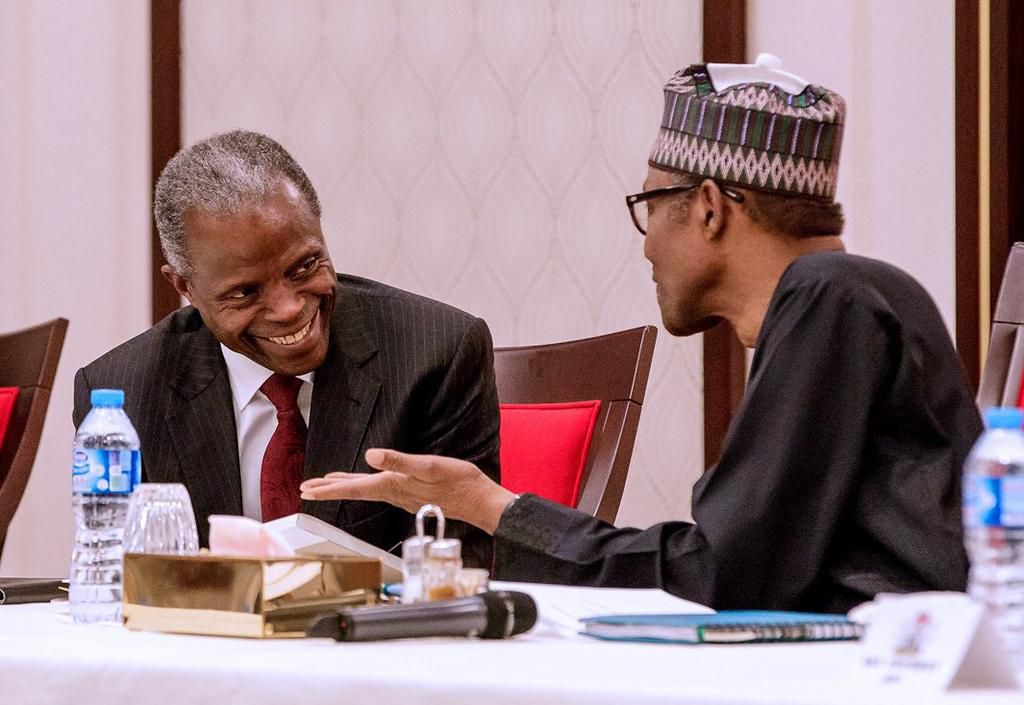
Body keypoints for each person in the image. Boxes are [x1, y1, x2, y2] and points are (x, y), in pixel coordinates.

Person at [300, 60, 982, 611]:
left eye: (649, 206)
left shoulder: (828, 296)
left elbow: (722, 574)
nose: (647, 246)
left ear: (710, 208)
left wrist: (491, 506)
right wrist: (488, 505)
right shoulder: (857, 293)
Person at [73, 130, 500, 567]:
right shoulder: (124, 392)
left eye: (304, 266)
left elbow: (457, 574)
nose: (289, 308)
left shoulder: (434, 354)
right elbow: (125, 578)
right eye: (244, 293)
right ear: (185, 287)